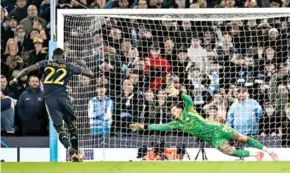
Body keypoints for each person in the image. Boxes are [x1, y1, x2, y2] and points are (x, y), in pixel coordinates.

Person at [130, 85, 279, 161]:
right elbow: (160, 126)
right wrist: (144, 126)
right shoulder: (177, 124)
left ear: (179, 109)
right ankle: (256, 154)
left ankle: (269, 151)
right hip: (214, 139)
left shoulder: (189, 110)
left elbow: (188, 100)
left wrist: (179, 93)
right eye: (171, 112)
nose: (172, 112)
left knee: (242, 139)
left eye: (174, 110)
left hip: (218, 128)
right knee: (230, 152)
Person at [10, 48, 94, 162]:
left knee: (60, 128)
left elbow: (28, 69)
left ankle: (70, 150)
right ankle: (76, 150)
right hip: (64, 98)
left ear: (53, 56)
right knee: (72, 126)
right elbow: (91, 74)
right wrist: (84, 65)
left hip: (50, 100)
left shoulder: (46, 63)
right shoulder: (69, 66)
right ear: (63, 56)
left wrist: (15, 78)